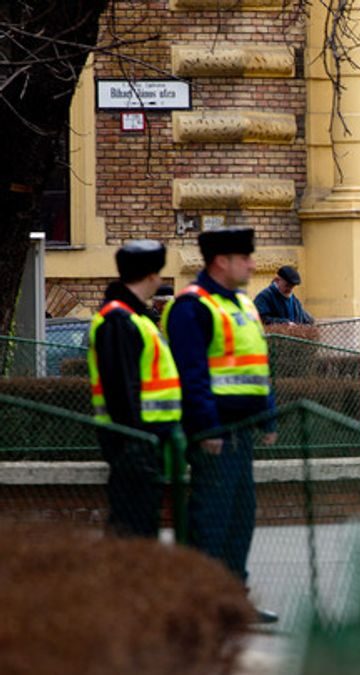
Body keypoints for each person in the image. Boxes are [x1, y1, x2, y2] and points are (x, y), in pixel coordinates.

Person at [162, 227, 278, 624]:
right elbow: (191, 375)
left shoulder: (244, 305)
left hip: (241, 431)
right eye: (244, 257)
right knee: (211, 518)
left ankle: (233, 598)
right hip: (216, 435)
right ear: (221, 262)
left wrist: (268, 413)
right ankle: (204, 603)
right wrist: (208, 429)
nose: (251, 264)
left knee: (239, 517)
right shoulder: (191, 306)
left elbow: (258, 363)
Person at [88, 240, 181, 538]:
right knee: (134, 526)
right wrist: (136, 439)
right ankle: (127, 582)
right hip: (134, 441)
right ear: (152, 276)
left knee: (137, 523)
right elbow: (121, 391)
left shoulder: (131, 317)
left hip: (139, 440)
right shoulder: (119, 320)